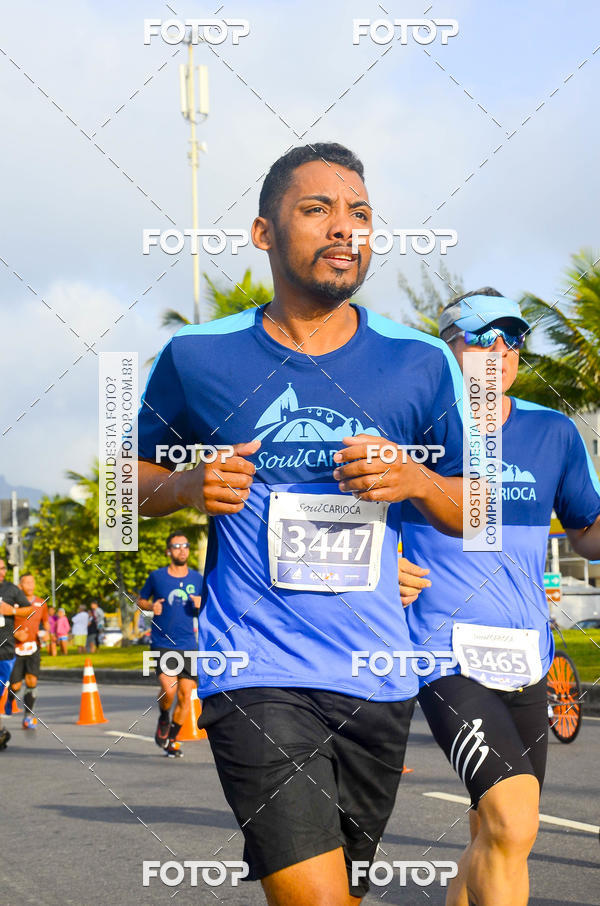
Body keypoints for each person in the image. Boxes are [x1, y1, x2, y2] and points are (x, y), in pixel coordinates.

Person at [136, 143, 465, 905]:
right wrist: (187, 484)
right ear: (263, 233)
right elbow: (125, 489)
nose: (344, 229)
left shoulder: (418, 360)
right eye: (316, 210)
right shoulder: (196, 355)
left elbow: (474, 508)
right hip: (255, 669)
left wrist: (414, 479)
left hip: (376, 679)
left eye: (360, 214)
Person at [399, 288, 600, 906]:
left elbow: (588, 534)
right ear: (447, 347)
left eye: (511, 338)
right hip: (444, 652)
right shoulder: (410, 425)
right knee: (514, 819)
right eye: (481, 336)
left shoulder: (553, 431)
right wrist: (383, 566)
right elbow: (342, 516)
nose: (499, 350)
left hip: (527, 654)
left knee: (496, 828)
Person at [137, 533, 203, 758]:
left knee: (186, 694)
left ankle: (173, 740)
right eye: (177, 546)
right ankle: (164, 717)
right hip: (162, 642)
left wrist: (202, 603)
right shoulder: (157, 577)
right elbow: (140, 600)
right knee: (169, 688)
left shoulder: (197, 578)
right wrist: (150, 606)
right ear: (169, 551)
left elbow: (210, 606)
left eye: (185, 545)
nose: (182, 550)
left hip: (188, 644)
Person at [6, 573, 50, 729]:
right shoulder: (12, 604)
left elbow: (46, 622)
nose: (30, 585)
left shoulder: (41, 603)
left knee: (32, 681)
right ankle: (8, 702)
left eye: (32, 582)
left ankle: (28, 716)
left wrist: (46, 635)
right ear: (20, 586)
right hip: (16, 649)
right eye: (26, 582)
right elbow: (4, 625)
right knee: (16, 685)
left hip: (33, 648)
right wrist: (15, 633)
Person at [0, 558, 34, 749]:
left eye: (3, 568)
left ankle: (1, 732)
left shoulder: (12, 590)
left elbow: (28, 610)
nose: (2, 572)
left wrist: (11, 609)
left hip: (4, 651)